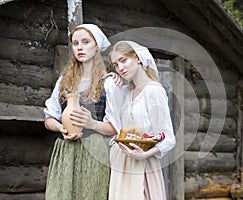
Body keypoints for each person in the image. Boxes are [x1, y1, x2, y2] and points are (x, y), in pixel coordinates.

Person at [43, 24, 120, 200]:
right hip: (65, 149)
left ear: (97, 46)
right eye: (76, 43)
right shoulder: (64, 81)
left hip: (94, 150)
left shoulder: (108, 83)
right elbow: (49, 117)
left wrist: (91, 123)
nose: (80, 47)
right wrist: (61, 127)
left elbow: (115, 128)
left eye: (86, 42)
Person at [107, 41, 176, 200]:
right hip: (122, 164)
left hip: (144, 164)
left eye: (123, 60)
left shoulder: (154, 91)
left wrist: (144, 155)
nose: (120, 68)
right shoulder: (125, 92)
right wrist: (110, 82)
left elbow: (168, 137)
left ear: (138, 58)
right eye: (116, 65)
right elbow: (113, 119)